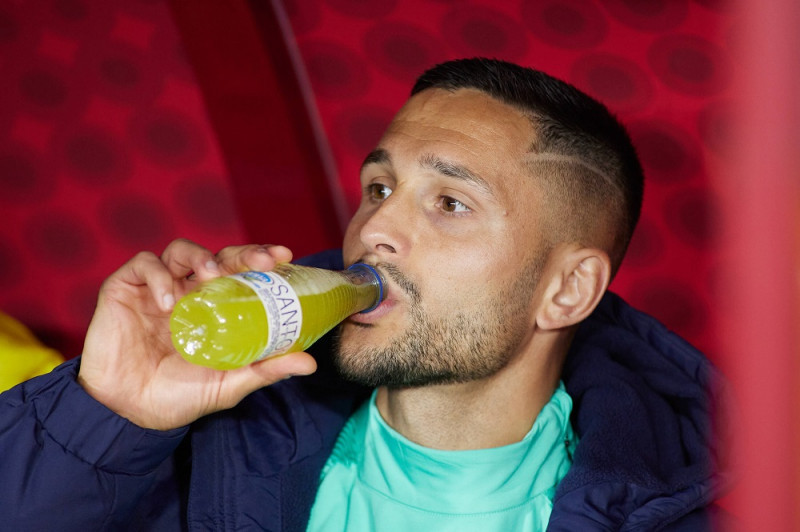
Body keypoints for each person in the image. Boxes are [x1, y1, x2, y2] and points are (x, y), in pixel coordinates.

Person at [0, 58, 730, 530]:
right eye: (379, 187)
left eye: (449, 203)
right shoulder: (219, 439)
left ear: (567, 291)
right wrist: (108, 414)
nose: (375, 226)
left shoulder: (693, 508)